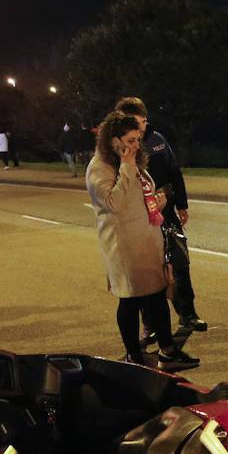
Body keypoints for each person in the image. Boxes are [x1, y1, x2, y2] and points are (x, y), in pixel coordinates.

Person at [85, 111, 199, 371]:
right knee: (130, 300)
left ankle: (168, 352)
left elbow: (139, 195)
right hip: (125, 246)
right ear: (113, 140)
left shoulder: (133, 160)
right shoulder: (99, 167)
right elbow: (113, 203)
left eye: (138, 139)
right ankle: (134, 356)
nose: (137, 145)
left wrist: (156, 203)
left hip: (148, 240)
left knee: (157, 297)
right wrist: (126, 167)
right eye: (131, 140)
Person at [114, 97, 207, 341]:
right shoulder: (116, 150)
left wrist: (181, 204)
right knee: (148, 275)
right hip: (140, 221)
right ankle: (151, 326)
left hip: (165, 214)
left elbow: (174, 171)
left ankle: (188, 314)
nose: (140, 127)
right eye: (134, 122)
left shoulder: (157, 139)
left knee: (180, 265)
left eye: (142, 121)